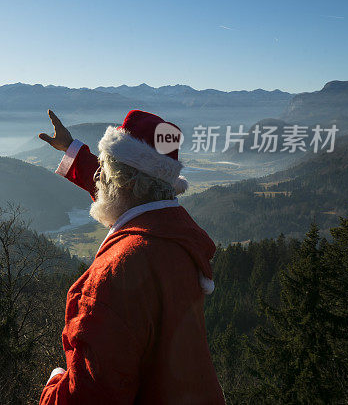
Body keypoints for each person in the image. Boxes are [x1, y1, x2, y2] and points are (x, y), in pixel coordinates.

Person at [37, 109, 225, 404]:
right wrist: (71, 149)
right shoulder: (175, 234)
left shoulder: (116, 275)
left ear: (125, 182)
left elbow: (87, 396)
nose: (96, 175)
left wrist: (54, 381)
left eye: (104, 168)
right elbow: (117, 189)